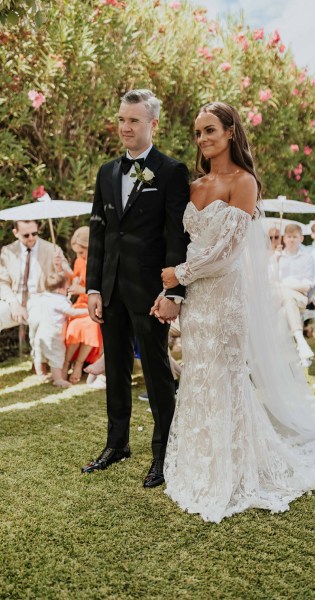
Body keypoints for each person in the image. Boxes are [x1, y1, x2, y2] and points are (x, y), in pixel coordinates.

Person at [156, 101, 315, 523]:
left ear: (230, 131)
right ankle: (200, 463)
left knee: (227, 377)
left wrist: (181, 274)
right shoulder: (194, 186)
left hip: (225, 298)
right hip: (197, 302)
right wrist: (173, 290)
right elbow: (188, 242)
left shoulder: (243, 182)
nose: (203, 139)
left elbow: (227, 254)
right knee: (199, 376)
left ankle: (232, 467)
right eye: (197, 133)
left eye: (210, 130)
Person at [82, 89, 190, 483]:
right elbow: (99, 232)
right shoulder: (106, 172)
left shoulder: (172, 171)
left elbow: (177, 237)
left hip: (151, 294)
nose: (126, 127)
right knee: (116, 368)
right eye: (122, 120)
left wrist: (174, 291)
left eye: (134, 121)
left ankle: (164, 450)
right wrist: (93, 287)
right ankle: (117, 443)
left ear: (153, 124)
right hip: (110, 289)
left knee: (158, 370)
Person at [0, 220, 71, 366]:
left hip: (42, 300)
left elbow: (67, 281)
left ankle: (41, 363)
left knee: (45, 321)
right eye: (26, 235)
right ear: (15, 233)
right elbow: (2, 281)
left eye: (35, 233)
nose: (32, 237)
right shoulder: (7, 251)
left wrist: (60, 269)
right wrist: (13, 303)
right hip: (15, 299)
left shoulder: (52, 249)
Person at [31, 272, 87, 387]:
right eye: (66, 288)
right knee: (56, 357)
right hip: (53, 335)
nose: (67, 290)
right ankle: (58, 380)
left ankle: (41, 375)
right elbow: (72, 312)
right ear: (59, 289)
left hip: (40, 333)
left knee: (39, 355)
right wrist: (88, 312)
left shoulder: (44, 297)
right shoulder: (59, 300)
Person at [63, 226, 102, 383]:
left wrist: (84, 289)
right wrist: (73, 282)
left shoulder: (102, 259)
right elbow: (74, 279)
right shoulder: (79, 261)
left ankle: (79, 364)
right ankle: (66, 363)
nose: (79, 256)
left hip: (97, 303)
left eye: (81, 252)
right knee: (74, 326)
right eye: (77, 252)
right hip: (81, 303)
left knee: (91, 325)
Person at [276, 223, 315, 366]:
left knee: (287, 299)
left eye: (295, 237)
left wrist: (284, 285)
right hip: (279, 298)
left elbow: (306, 286)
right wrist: (275, 260)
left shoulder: (306, 257)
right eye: (289, 236)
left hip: (299, 297)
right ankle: (300, 343)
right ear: (284, 238)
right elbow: (270, 282)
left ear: (301, 239)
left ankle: (288, 350)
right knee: (283, 309)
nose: (292, 240)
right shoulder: (277, 257)